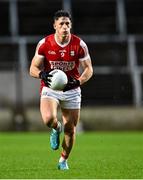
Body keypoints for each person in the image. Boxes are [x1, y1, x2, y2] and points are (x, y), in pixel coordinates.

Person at [29, 9, 93, 170]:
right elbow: (32, 68)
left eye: (67, 24)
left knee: (70, 129)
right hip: (50, 87)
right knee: (48, 119)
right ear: (55, 26)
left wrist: (78, 82)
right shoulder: (45, 43)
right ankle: (56, 128)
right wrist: (42, 74)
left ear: (70, 26)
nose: (65, 27)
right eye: (61, 24)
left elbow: (89, 69)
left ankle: (63, 160)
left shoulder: (79, 44)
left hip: (71, 88)